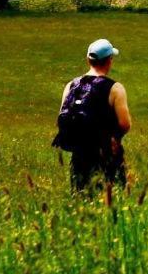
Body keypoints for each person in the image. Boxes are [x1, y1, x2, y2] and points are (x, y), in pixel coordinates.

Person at [54, 38, 132, 192]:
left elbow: (61, 118)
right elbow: (125, 124)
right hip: (107, 154)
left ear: (88, 59)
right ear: (109, 61)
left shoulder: (71, 86)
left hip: (79, 156)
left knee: (81, 197)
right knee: (112, 200)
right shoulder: (115, 88)